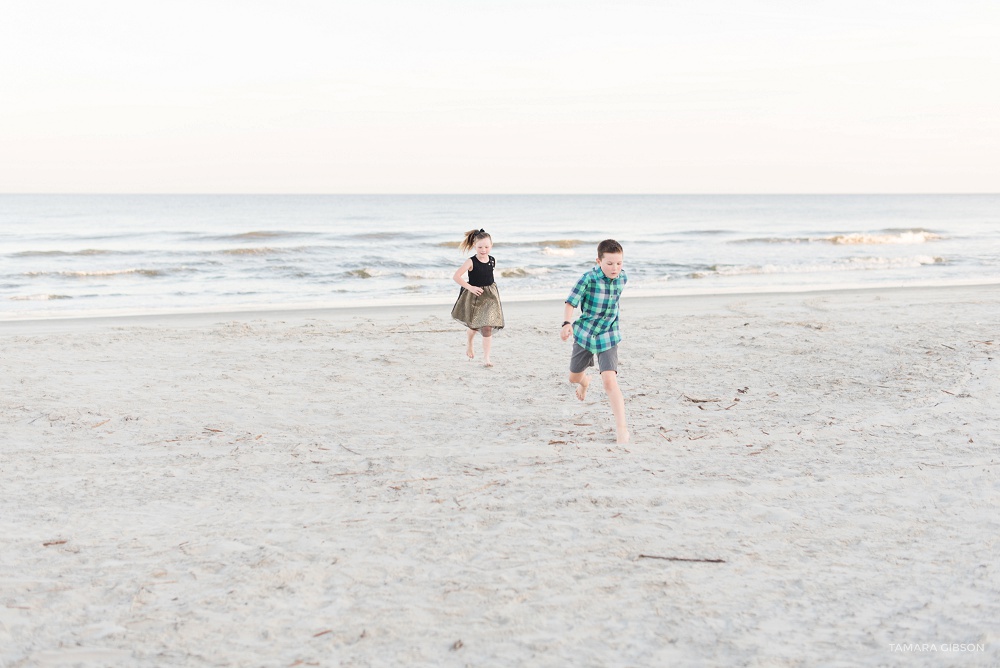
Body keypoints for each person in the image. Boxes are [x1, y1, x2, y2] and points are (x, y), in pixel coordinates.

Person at [560, 239, 629, 444]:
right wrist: (566, 323)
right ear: (598, 261)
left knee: (609, 381)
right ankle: (585, 382)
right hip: (585, 333)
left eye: (618, 263)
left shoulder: (622, 278)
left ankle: (621, 429)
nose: (615, 268)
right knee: (573, 377)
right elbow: (571, 301)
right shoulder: (588, 279)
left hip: (609, 334)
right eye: (609, 263)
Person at [452, 228, 504, 367]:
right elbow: (456, 276)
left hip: (490, 297)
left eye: (487, 247)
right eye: (480, 247)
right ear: (474, 246)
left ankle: (486, 358)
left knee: (487, 327)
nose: (483, 250)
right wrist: (470, 287)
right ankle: (469, 343)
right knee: (474, 326)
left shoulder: (492, 260)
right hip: (475, 296)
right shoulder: (470, 262)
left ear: (491, 246)